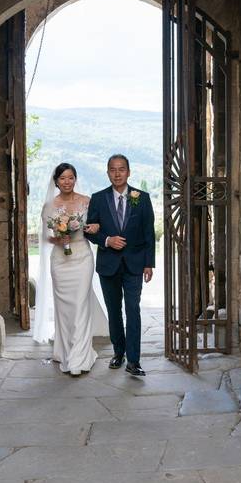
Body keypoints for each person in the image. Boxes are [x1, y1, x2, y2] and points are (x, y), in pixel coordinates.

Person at [31, 163, 107, 376]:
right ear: (56, 181)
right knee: (64, 309)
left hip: (82, 258)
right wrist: (58, 238)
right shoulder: (49, 206)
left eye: (71, 177)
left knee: (81, 305)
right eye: (63, 178)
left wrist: (95, 227)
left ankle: (79, 358)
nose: (67, 181)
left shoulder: (86, 201)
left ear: (75, 179)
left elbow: (96, 225)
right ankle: (65, 351)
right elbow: (45, 237)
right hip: (60, 261)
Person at [85, 154, 156, 376]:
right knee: (114, 311)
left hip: (135, 265)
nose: (117, 173)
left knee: (132, 310)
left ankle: (133, 361)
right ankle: (118, 352)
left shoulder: (141, 198)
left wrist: (148, 264)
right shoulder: (97, 198)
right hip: (109, 265)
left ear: (128, 172)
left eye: (121, 169)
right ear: (107, 173)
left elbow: (148, 232)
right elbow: (90, 230)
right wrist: (107, 240)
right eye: (113, 170)